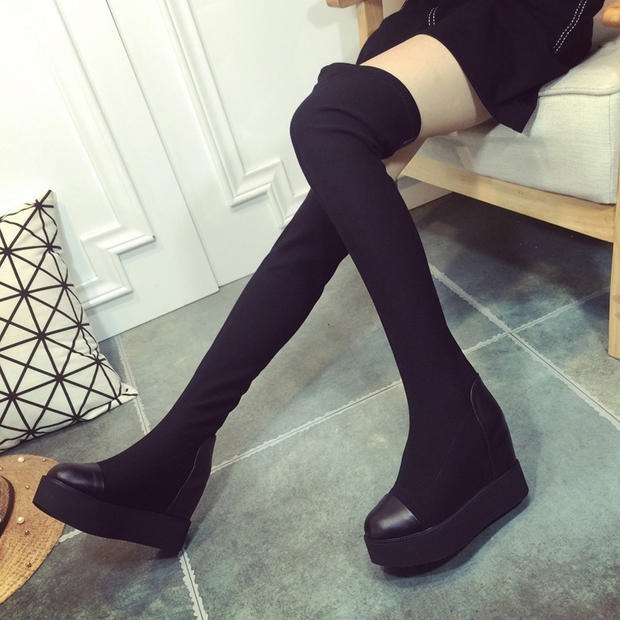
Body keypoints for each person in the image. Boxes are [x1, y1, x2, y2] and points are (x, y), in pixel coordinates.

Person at [33, 0, 604, 569]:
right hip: (434, 14)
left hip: (519, 10)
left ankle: (451, 414)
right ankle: (177, 451)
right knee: (327, 200)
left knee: (329, 119)